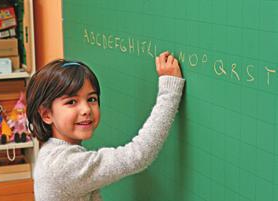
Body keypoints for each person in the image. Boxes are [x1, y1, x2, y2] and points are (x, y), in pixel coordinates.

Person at [26, 51, 185, 201]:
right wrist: (169, 89)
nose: (86, 110)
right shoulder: (62, 166)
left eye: (92, 99)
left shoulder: (52, 151)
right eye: (71, 102)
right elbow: (139, 155)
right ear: (47, 114)